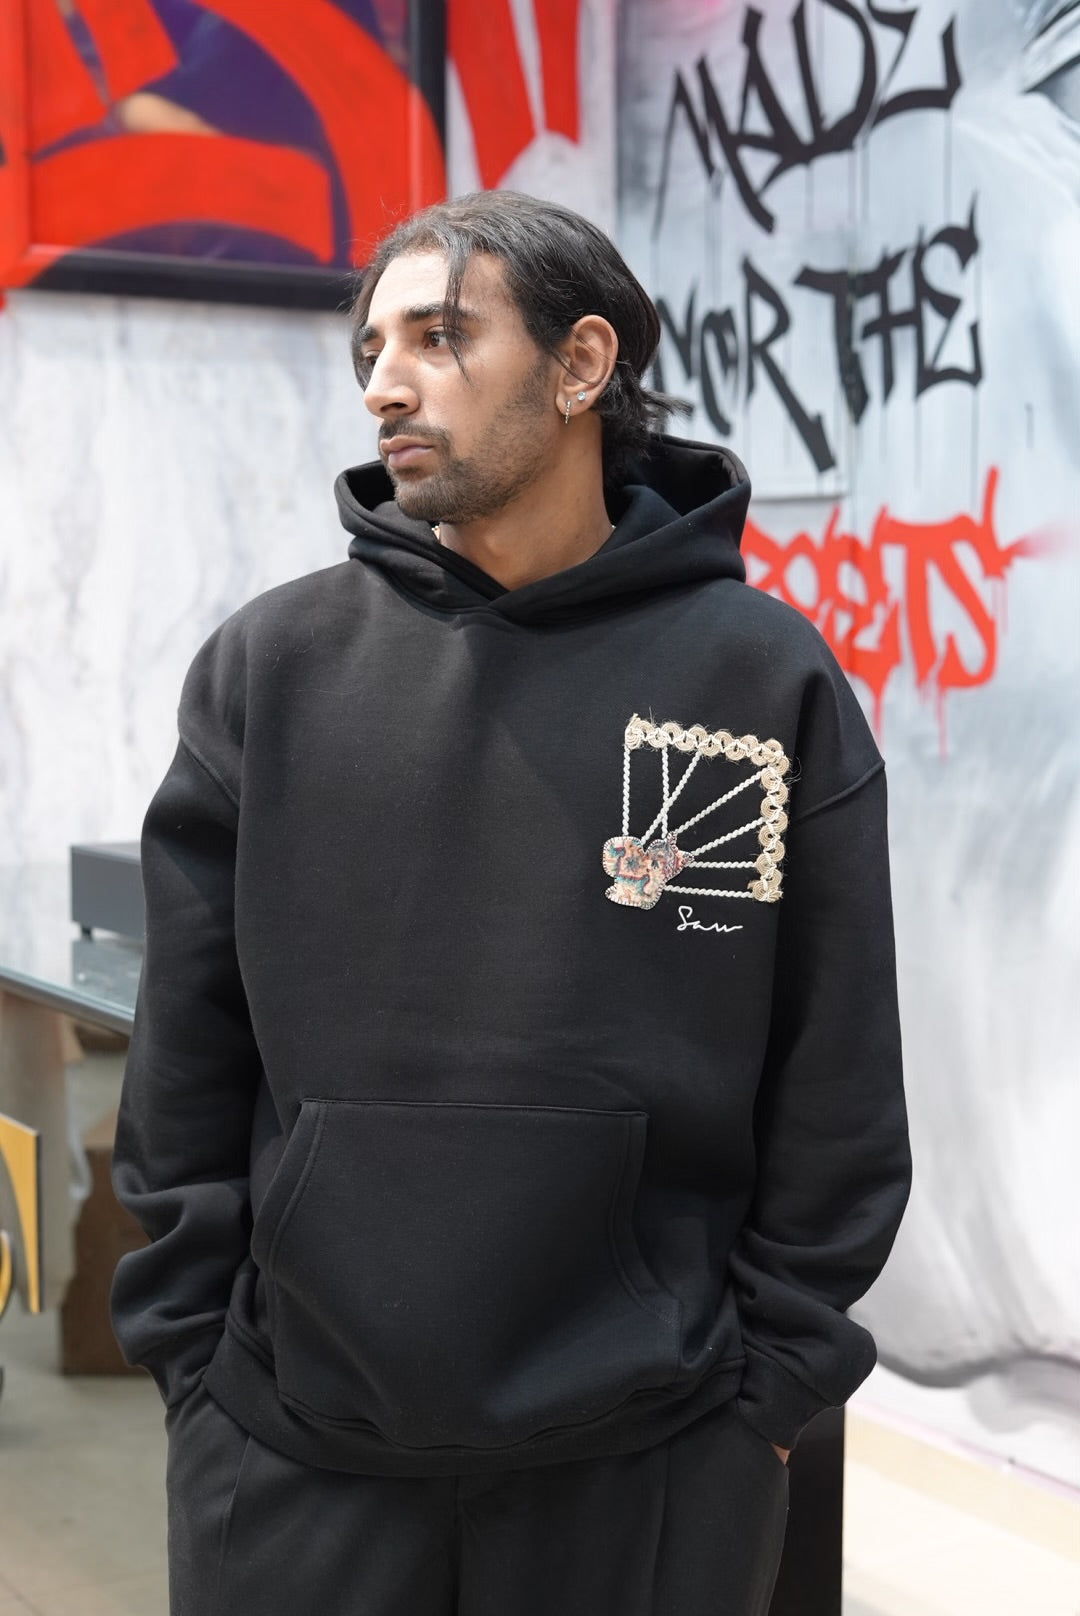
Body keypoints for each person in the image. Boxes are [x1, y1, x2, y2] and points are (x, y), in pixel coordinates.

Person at [110, 190, 912, 1616]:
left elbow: (836, 1073)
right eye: (372, 349)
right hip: (293, 1450)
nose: (386, 384)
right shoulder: (269, 669)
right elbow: (184, 1058)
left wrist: (770, 1395)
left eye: (439, 336)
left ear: (581, 363)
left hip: (654, 1456)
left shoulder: (757, 678)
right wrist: (192, 1366)